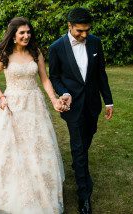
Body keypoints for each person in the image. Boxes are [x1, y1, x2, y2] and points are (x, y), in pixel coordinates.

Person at [0, 17, 65, 213]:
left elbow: (45, 80)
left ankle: (40, 187)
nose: (27, 36)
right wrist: (0, 96)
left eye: (28, 32)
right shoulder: (4, 55)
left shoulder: (36, 53)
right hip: (12, 105)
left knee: (37, 146)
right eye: (22, 33)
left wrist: (54, 100)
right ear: (14, 35)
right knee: (9, 147)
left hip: (34, 104)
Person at [49, 8, 114, 214]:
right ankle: (84, 196)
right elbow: (54, 77)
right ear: (69, 26)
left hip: (92, 104)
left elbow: (100, 73)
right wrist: (64, 92)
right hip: (72, 105)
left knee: (87, 138)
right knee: (78, 147)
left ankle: (79, 166)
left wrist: (109, 102)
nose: (84, 35)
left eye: (87, 30)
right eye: (79, 31)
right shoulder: (56, 47)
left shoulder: (96, 42)